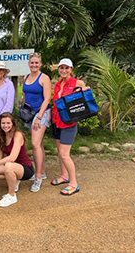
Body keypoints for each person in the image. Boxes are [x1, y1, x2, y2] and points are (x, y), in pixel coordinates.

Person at [50, 58, 88, 196]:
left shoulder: (77, 83)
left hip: (69, 123)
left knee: (64, 154)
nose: (64, 70)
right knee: (60, 151)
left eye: (67, 68)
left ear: (71, 69)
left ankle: (74, 184)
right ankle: (64, 175)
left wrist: (84, 90)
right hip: (56, 121)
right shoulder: (58, 84)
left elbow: (84, 96)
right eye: (61, 68)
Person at [0, 112, 34, 207]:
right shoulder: (0, 135)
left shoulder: (17, 135)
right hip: (12, 166)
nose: (5, 125)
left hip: (25, 168)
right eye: (3, 123)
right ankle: (13, 179)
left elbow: (12, 157)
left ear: (13, 124)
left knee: (8, 166)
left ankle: (11, 195)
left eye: (8, 123)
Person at [22, 52, 52, 192]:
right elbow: (24, 95)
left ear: (40, 64)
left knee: (34, 144)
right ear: (29, 64)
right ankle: (43, 171)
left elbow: (47, 99)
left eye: (36, 63)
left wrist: (39, 117)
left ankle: (38, 176)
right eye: (32, 63)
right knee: (38, 144)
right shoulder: (26, 77)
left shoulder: (44, 78)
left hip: (41, 112)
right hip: (29, 114)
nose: (34, 65)